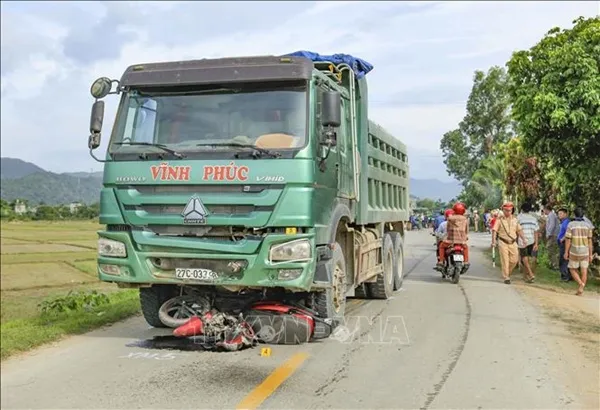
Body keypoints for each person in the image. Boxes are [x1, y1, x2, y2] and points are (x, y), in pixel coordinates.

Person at [492, 202, 527, 284]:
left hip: (513, 243)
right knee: (505, 260)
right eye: (506, 210)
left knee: (514, 260)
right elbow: (494, 231)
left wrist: (524, 239)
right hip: (503, 242)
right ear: (503, 210)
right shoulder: (499, 220)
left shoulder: (515, 220)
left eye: (509, 210)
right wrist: (493, 241)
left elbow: (519, 230)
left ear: (512, 210)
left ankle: (508, 273)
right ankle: (506, 277)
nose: (508, 212)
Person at [564, 206, 594, 296]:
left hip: (574, 250)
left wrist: (566, 252)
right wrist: (591, 254)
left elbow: (568, 239)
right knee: (584, 269)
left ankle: (580, 283)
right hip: (585, 251)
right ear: (583, 215)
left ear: (574, 214)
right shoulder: (588, 226)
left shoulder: (571, 225)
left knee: (572, 269)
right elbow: (590, 241)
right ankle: (581, 288)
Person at [436, 202, 469, 271]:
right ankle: (466, 262)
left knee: (441, 246)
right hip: (461, 241)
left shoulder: (450, 218)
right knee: (466, 248)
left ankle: (441, 261)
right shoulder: (465, 219)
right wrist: (465, 237)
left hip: (450, 241)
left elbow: (448, 229)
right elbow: (466, 230)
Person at [517, 202, 539, 283]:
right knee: (530, 258)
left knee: (524, 257)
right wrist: (536, 243)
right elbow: (536, 231)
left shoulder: (519, 218)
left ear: (522, 209)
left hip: (522, 240)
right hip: (532, 240)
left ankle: (530, 274)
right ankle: (526, 275)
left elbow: (516, 230)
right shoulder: (533, 219)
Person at [543, 204, 560, 269]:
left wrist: (548, 234)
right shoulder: (551, 215)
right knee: (551, 249)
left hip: (553, 235)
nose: (544, 211)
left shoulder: (551, 215)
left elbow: (552, 225)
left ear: (546, 209)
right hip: (553, 234)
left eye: (544, 210)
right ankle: (554, 263)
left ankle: (555, 264)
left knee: (549, 248)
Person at [556, 207, 571, 282]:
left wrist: (563, 239)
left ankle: (565, 277)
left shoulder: (567, 222)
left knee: (563, 260)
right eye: (558, 214)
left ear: (565, 214)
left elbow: (568, 232)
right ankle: (566, 276)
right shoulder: (562, 222)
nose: (559, 215)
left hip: (564, 243)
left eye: (561, 213)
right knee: (563, 259)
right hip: (561, 243)